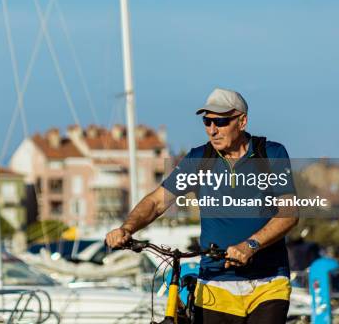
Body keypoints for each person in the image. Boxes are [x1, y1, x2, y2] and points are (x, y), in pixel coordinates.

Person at [105, 88, 298, 324]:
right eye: (207, 122)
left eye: (221, 121)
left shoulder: (270, 154)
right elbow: (156, 202)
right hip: (216, 282)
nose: (212, 129)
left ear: (242, 121)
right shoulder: (200, 160)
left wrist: (250, 245)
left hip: (269, 281)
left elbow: (289, 214)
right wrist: (127, 229)